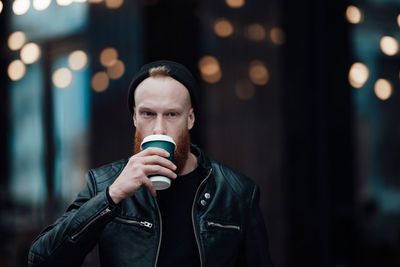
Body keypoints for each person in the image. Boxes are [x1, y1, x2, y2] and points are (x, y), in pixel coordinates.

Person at [28, 60, 273, 267]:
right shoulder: (104, 184)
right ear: (134, 117)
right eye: (148, 114)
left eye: (171, 114)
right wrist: (111, 196)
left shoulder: (236, 192)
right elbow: (40, 260)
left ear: (190, 119)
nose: (159, 128)